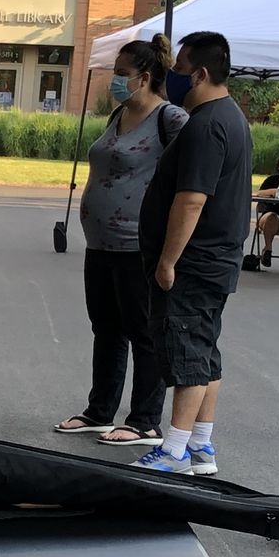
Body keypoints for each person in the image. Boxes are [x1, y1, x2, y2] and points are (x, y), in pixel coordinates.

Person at [53, 33, 186, 448]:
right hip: (101, 243)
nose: (115, 80)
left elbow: (193, 176)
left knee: (144, 331)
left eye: (121, 74)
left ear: (144, 78)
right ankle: (99, 411)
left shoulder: (171, 120)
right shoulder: (118, 116)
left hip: (138, 246)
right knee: (107, 328)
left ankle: (145, 420)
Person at [134, 31, 253, 476]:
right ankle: (201, 445)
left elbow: (191, 199)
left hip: (195, 261)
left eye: (179, 71)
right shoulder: (232, 117)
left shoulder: (205, 125)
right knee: (204, 351)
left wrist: (167, 260)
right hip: (216, 260)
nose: (173, 80)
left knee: (185, 353)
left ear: (200, 74)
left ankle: (174, 450)